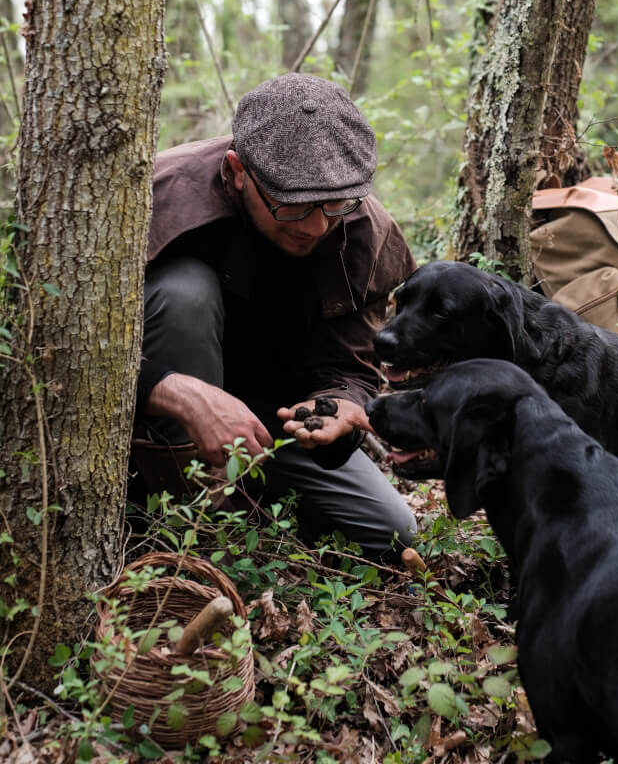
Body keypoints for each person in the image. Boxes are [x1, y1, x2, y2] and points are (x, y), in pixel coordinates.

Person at [132, 72, 418, 560]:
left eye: (333, 205)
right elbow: (66, 345)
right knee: (186, 293)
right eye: (292, 207)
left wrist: (336, 407)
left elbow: (348, 367)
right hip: (155, 412)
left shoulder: (366, 235)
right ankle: (180, 525)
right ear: (238, 170)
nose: (316, 226)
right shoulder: (156, 200)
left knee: (392, 531)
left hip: (270, 420)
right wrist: (171, 389)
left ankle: (243, 496)